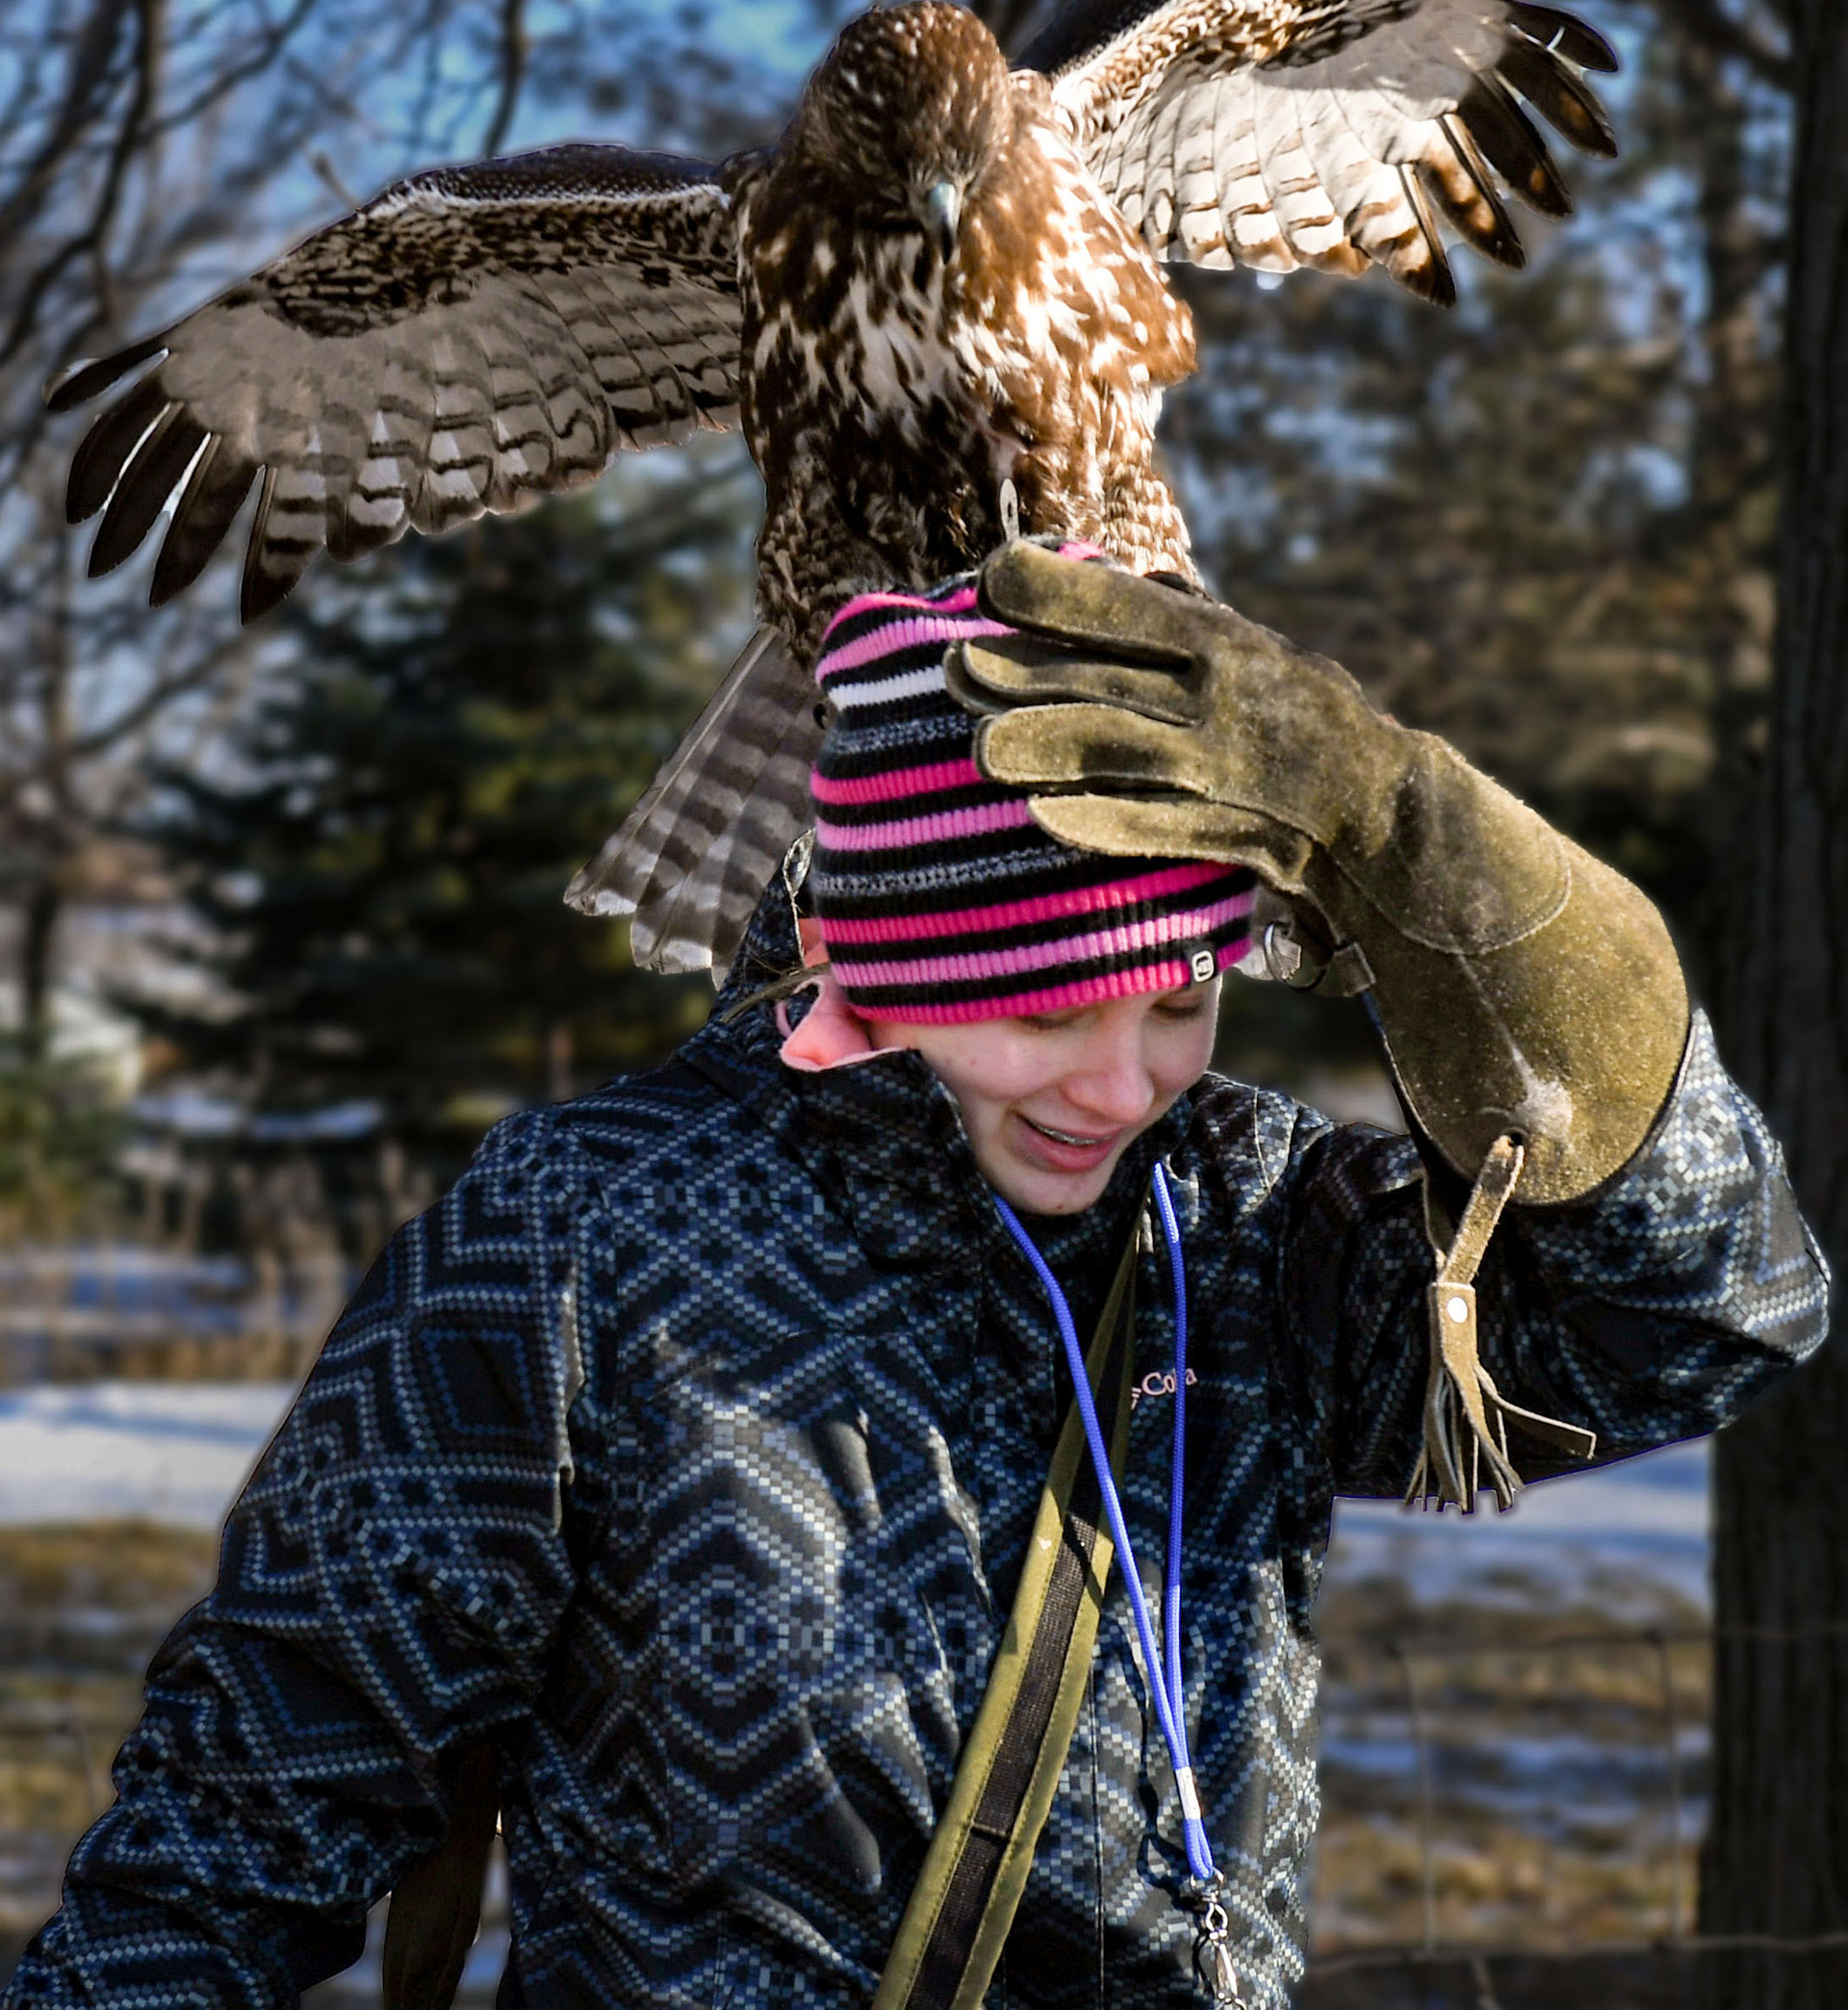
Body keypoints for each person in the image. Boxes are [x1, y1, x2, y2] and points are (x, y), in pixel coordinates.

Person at [3, 547, 1826, 2010]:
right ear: (860, 965)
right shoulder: (583, 1229)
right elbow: (258, 1803)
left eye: (1181, 1000)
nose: (1122, 1085)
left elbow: (1709, 1314)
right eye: (1040, 1005)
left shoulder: (1254, 1214)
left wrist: (1436, 843)